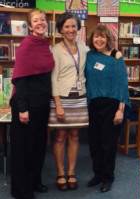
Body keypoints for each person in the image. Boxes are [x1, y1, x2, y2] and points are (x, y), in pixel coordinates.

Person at [10, 9, 55, 199]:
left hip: (42, 104)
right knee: (23, 149)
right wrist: (23, 108)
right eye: (35, 21)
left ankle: (35, 182)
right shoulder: (26, 46)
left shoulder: (45, 45)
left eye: (43, 20)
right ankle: (21, 190)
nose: (40, 23)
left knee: (38, 147)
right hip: (26, 106)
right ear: (29, 26)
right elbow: (20, 79)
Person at [85, 25, 130, 193]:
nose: (99, 40)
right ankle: (97, 175)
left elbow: (122, 83)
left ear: (108, 39)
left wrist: (121, 109)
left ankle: (107, 178)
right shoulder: (89, 56)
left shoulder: (116, 56)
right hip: (93, 104)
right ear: (92, 39)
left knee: (108, 144)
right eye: (96, 36)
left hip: (112, 105)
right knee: (94, 143)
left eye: (102, 37)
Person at [49, 12, 88, 191]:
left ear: (78, 28)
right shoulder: (55, 50)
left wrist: (115, 54)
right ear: (60, 30)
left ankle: (71, 172)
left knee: (74, 136)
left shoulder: (83, 46)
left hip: (80, 97)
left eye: (73, 26)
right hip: (62, 99)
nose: (71, 30)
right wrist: (57, 104)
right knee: (60, 136)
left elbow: (100, 54)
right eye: (67, 27)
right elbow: (53, 78)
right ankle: (60, 172)